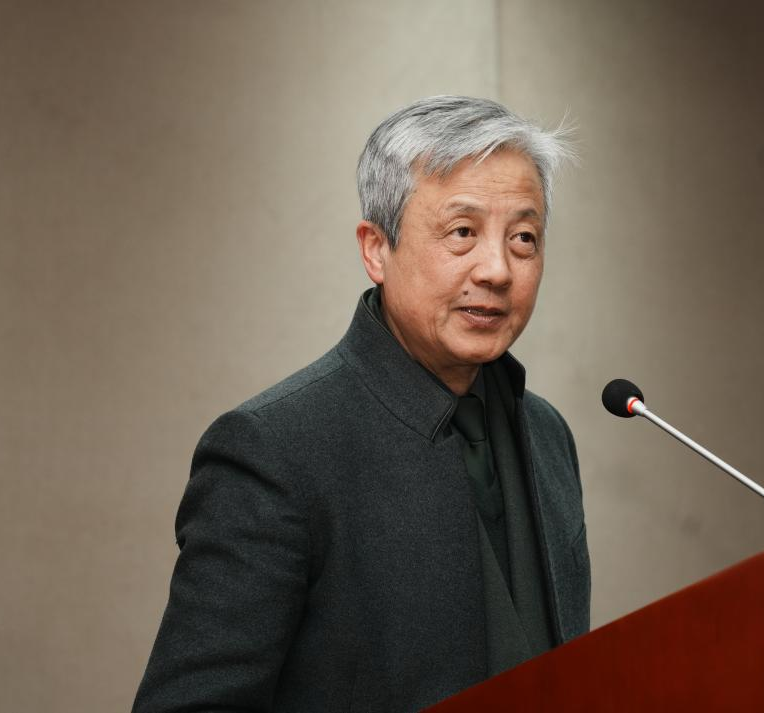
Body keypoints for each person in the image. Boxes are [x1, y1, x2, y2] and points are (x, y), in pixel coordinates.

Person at [133, 95, 589, 713]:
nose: (497, 270)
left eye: (524, 239)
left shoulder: (546, 433)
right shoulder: (273, 451)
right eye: (462, 232)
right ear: (376, 249)